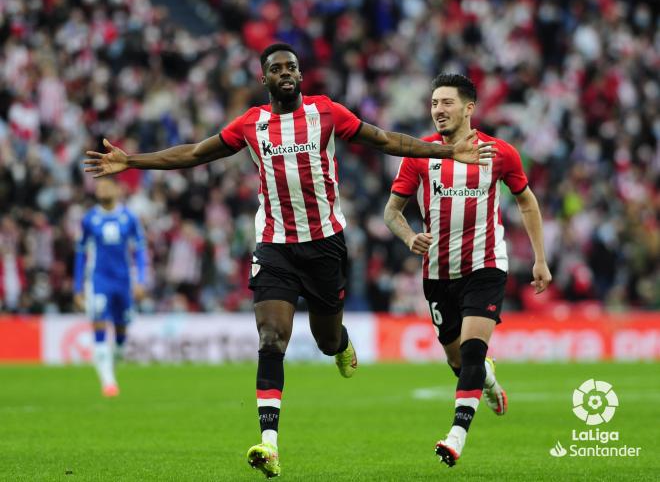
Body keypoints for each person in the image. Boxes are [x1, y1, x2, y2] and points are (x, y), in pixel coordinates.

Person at [83, 43, 496, 478]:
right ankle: (269, 444)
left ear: (301, 75)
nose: (285, 72)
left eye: (292, 67)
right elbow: (194, 153)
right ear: (264, 79)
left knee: (325, 338)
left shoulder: (327, 113)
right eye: (276, 68)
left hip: (325, 246)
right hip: (275, 245)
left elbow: (387, 140)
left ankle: (340, 343)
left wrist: (448, 152)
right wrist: (131, 161)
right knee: (271, 338)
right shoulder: (251, 124)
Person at [384, 73, 552, 467]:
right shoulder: (421, 154)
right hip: (439, 272)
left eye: (446, 103)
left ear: (469, 108)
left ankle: (456, 436)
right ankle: (488, 381)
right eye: (433, 104)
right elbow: (392, 213)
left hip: (486, 264)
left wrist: (540, 259)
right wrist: (409, 238)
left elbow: (527, 202)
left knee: (474, 351)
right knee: (459, 361)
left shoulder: (500, 152)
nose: (438, 111)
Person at [73, 178, 147, 397]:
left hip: (123, 281)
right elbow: (80, 254)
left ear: (117, 190)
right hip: (98, 281)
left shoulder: (129, 218)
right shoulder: (89, 219)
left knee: (122, 333)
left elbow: (140, 251)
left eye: (106, 186)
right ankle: (108, 381)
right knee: (99, 325)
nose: (101, 189)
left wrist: (140, 280)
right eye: (98, 187)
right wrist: (78, 288)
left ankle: (111, 367)